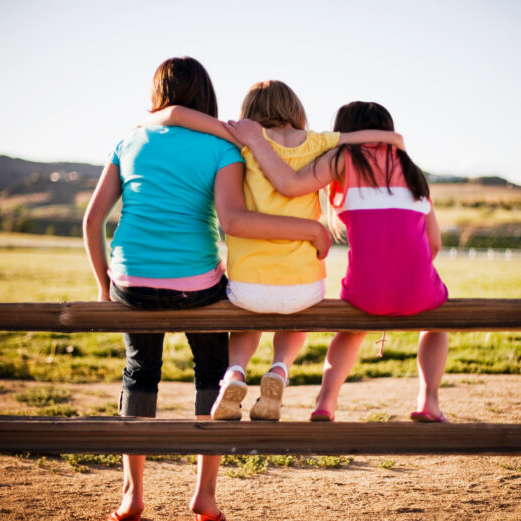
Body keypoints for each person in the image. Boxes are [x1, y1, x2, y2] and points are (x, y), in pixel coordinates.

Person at [83, 57, 330, 521]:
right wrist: (310, 231)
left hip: (130, 283)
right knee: (213, 371)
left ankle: (132, 496)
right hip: (197, 285)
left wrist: (104, 287)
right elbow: (233, 219)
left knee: (139, 373)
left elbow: (93, 219)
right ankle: (205, 496)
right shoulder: (224, 147)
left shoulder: (129, 139)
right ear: (208, 95)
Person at [141, 81, 403, 422]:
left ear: (250, 112)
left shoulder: (243, 139)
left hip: (249, 283)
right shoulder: (319, 141)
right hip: (303, 285)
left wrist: (148, 122)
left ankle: (236, 371)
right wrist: (394, 140)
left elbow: (175, 114)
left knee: (248, 316)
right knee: (296, 316)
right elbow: (378, 139)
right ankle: (279, 369)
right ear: (295, 109)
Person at [225, 101, 449, 423]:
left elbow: (288, 185)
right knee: (436, 324)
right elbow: (434, 243)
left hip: (366, 291)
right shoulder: (413, 171)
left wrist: (258, 142)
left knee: (350, 329)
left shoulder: (345, 157)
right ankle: (428, 401)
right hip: (418, 289)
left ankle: (325, 402)